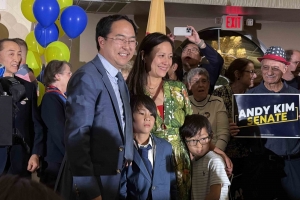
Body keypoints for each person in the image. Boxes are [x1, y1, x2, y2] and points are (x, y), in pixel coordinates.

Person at [127, 32, 232, 200]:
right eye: (161, 55)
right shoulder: (129, 91)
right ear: (143, 56)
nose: (166, 61)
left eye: (169, 56)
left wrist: (218, 151)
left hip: (179, 163)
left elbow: (192, 129)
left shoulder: (178, 89)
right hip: (146, 162)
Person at [60, 15, 137, 200]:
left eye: (132, 40)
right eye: (120, 39)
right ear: (101, 41)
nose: (127, 46)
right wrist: (90, 190)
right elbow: (77, 136)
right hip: (94, 181)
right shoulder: (87, 77)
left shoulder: (118, 79)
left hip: (116, 178)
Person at [235, 46, 300, 199]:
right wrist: (237, 131)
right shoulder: (248, 97)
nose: (269, 72)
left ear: (285, 69)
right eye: (265, 67)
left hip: (292, 165)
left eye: (275, 68)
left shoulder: (297, 97)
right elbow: (244, 140)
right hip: (261, 166)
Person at [212, 58, 257, 199]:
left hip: (250, 156)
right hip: (226, 155)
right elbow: (210, 123)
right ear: (237, 74)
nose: (254, 76)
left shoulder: (255, 95)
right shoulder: (219, 94)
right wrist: (225, 125)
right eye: (251, 72)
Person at [119, 94, 177, 200]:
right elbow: (122, 188)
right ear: (130, 116)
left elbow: (172, 183)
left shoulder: (165, 147)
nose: (147, 118)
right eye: (142, 113)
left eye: (151, 114)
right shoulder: (124, 149)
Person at [0, 39, 43, 178]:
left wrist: (35, 153)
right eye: (11, 54)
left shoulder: (28, 87)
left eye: (19, 54)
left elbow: (35, 123)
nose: (17, 59)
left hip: (20, 160)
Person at [180, 114, 230, 200]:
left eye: (203, 139)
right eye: (192, 141)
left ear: (211, 137)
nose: (199, 145)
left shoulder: (215, 160)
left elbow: (215, 195)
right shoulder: (193, 162)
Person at [39, 60, 72, 189]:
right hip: (56, 161)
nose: (71, 76)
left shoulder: (63, 97)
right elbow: (59, 131)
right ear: (57, 75)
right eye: (68, 73)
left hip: (62, 160)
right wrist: (71, 156)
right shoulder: (51, 98)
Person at [187, 68, 229, 151]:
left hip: (214, 151)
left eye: (204, 81)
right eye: (196, 81)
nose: (201, 85)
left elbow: (224, 134)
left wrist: (216, 154)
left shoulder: (217, 102)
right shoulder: (184, 102)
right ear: (189, 86)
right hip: (190, 153)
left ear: (209, 84)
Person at [180, 26, 224, 93]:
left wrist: (199, 42)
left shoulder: (206, 72)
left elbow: (217, 61)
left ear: (200, 58)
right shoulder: (174, 71)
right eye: (185, 49)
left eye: (194, 50)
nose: (188, 52)